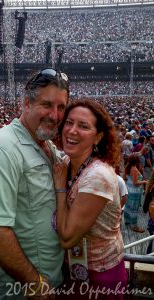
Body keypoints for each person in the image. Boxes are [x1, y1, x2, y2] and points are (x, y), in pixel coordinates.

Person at [0, 68, 69, 300]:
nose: (54, 115)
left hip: (50, 283)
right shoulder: (0, 149)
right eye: (47, 104)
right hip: (18, 291)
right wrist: (34, 284)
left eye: (61, 107)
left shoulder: (47, 146)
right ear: (26, 104)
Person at [53, 99, 129, 300]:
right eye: (69, 122)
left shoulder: (98, 176)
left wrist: (60, 188)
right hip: (76, 270)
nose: (72, 130)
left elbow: (68, 238)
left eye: (83, 126)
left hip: (100, 276)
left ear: (98, 137)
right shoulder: (68, 162)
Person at [123, 154, 147, 233]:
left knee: (128, 205)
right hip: (135, 191)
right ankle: (134, 226)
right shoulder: (134, 169)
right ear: (136, 161)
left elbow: (124, 177)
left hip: (128, 189)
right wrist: (145, 181)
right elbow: (136, 183)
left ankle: (127, 220)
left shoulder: (127, 166)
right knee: (134, 208)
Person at [143, 170, 154, 254]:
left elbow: (145, 208)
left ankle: (148, 256)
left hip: (151, 222)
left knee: (151, 240)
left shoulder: (150, 188)